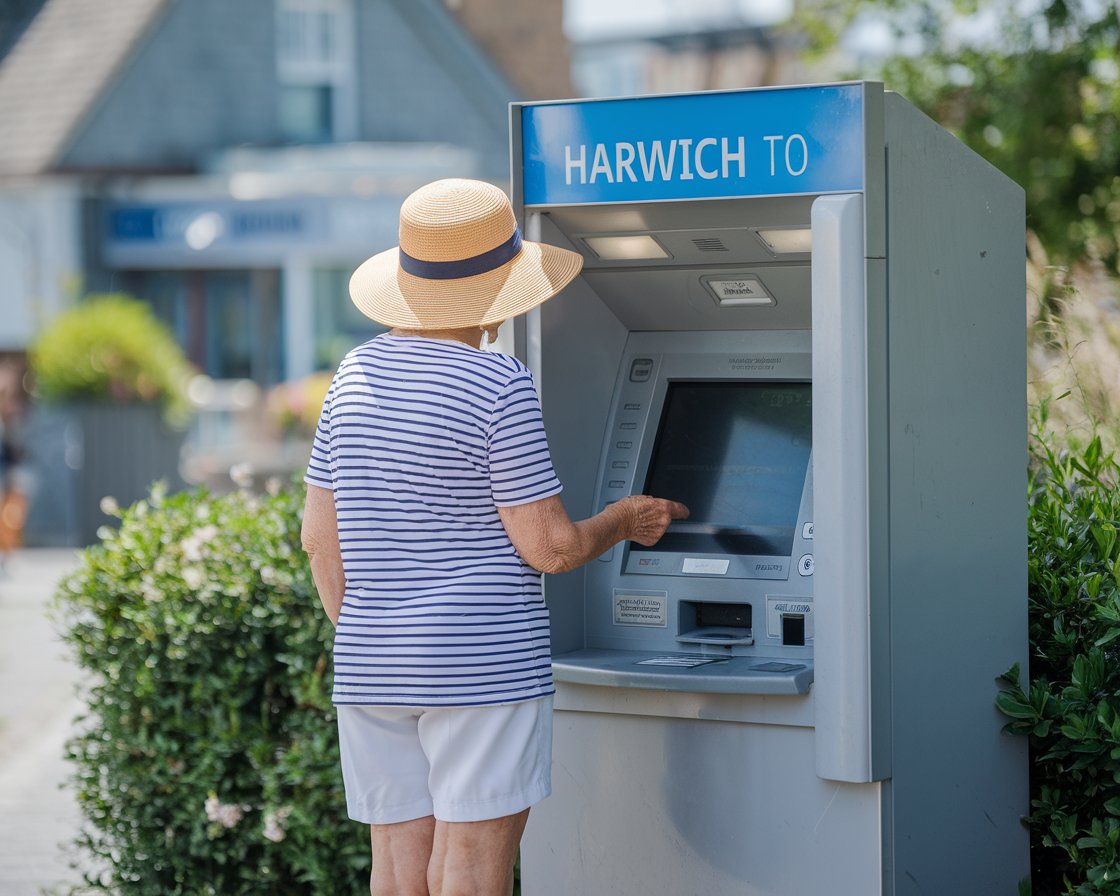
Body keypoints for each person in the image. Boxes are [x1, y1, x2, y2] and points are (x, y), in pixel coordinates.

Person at [301, 178, 687, 896]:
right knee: (471, 873)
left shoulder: (350, 378)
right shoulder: (497, 384)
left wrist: (384, 633)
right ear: (502, 287)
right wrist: (626, 519)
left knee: (396, 870)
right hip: (481, 665)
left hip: (371, 669)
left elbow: (321, 542)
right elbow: (551, 547)